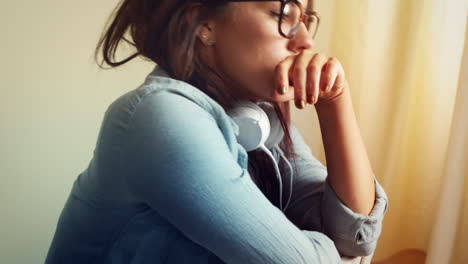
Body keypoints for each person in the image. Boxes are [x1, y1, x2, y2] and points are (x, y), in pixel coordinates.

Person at [45, 0, 388, 263]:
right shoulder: (159, 117)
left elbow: (356, 236)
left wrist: (335, 101)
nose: (305, 41)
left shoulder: (260, 118)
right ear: (204, 23)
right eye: (284, 14)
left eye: (306, 20)